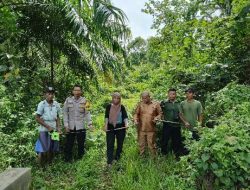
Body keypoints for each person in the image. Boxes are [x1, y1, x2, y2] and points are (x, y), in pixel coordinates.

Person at [63, 84, 93, 162]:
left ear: (81, 91)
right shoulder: (68, 100)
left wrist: (90, 123)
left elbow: (87, 113)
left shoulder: (86, 101)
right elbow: (65, 113)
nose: (77, 92)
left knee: (81, 144)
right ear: (73, 91)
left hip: (81, 126)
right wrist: (66, 125)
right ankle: (68, 159)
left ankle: (80, 160)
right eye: (75, 90)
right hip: (70, 126)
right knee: (69, 144)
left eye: (78, 90)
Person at [35, 87, 61, 166]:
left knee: (53, 148)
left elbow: (58, 117)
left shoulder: (56, 104)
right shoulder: (42, 104)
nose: (50, 95)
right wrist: (48, 127)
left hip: (54, 130)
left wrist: (59, 128)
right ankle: (42, 167)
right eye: (49, 93)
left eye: (52, 94)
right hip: (44, 130)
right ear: (45, 94)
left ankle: (50, 165)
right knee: (43, 149)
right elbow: (37, 118)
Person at [133, 91, 162, 156]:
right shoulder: (140, 104)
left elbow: (160, 114)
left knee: (151, 145)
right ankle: (142, 158)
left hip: (151, 129)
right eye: (143, 98)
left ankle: (153, 159)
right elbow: (136, 114)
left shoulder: (156, 104)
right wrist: (135, 119)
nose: (144, 99)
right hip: (141, 129)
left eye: (146, 98)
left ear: (149, 97)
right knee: (141, 145)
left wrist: (157, 118)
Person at [104, 92, 128, 167]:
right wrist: (105, 125)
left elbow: (125, 117)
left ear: (120, 99)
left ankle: (117, 158)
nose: (116, 100)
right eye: (115, 98)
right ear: (112, 98)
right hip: (110, 127)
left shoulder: (122, 107)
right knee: (110, 144)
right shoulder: (108, 106)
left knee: (120, 144)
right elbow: (106, 116)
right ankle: (109, 162)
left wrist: (126, 124)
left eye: (118, 98)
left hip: (120, 127)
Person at [160, 88, 183, 158]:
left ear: (176, 95)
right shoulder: (164, 103)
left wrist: (184, 122)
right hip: (167, 125)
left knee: (176, 141)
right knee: (165, 140)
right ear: (168, 94)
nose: (172, 96)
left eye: (174, 94)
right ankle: (163, 154)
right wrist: (161, 117)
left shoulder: (179, 103)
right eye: (170, 94)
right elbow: (160, 111)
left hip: (176, 125)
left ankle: (176, 155)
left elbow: (181, 114)